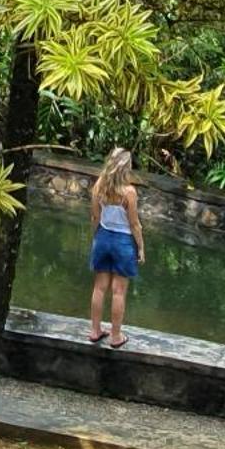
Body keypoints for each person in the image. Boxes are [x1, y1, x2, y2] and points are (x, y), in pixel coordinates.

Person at [85, 147, 145, 348]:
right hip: (123, 241)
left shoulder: (99, 186)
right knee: (118, 291)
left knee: (99, 287)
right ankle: (116, 336)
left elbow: (95, 217)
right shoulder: (129, 192)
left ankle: (95, 331)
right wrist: (141, 247)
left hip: (103, 236)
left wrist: (95, 237)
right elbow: (134, 224)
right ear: (125, 167)